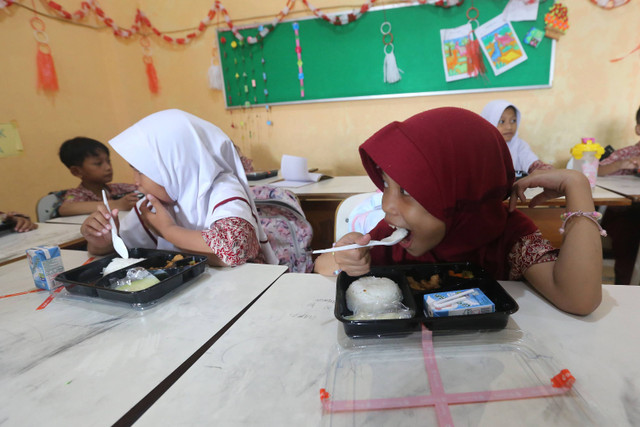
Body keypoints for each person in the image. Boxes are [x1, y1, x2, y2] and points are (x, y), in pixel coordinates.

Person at [315, 107, 602, 315]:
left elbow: (580, 299)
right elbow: (323, 267)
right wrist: (345, 255)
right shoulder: (394, 234)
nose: (386, 205)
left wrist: (576, 186)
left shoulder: (509, 236)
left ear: (462, 191)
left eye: (405, 191)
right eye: (386, 186)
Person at [80, 109, 278, 267]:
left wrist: (168, 230)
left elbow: (233, 250)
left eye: (141, 171)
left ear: (175, 165)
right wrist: (103, 241)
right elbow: (123, 249)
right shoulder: (157, 202)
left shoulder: (222, 189)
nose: (135, 182)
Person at [597, 106, 640, 284]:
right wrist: (622, 164)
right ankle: (625, 285)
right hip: (628, 215)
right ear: (638, 128)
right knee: (627, 233)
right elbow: (598, 169)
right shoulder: (628, 153)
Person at [58, 137, 139, 216]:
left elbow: (142, 188)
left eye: (108, 161)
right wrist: (117, 204)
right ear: (76, 171)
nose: (108, 167)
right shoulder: (77, 194)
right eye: (98, 163)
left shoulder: (118, 188)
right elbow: (65, 208)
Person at [481, 100, 553, 175]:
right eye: (502, 121)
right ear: (489, 122)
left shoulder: (520, 145)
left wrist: (541, 168)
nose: (509, 127)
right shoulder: (481, 149)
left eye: (513, 120)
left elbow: (531, 163)